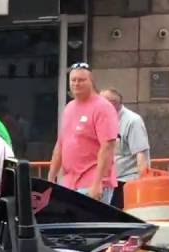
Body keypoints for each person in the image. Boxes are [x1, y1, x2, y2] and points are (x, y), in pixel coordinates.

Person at [49, 63, 118, 203]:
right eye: (73, 80)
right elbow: (60, 145)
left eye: (81, 80)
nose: (76, 83)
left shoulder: (103, 107)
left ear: (91, 82)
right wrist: (51, 178)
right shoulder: (69, 108)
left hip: (92, 182)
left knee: (92, 224)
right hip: (69, 183)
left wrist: (98, 182)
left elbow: (107, 146)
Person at [100, 88, 150, 209]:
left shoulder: (133, 121)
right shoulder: (101, 119)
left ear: (112, 104)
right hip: (105, 180)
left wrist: (143, 183)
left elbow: (141, 154)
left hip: (125, 181)